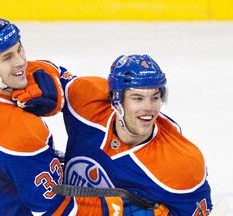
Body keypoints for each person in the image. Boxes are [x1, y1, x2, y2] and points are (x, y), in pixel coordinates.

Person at [0, 16, 125, 216]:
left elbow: (48, 72)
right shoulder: (21, 134)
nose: (20, 62)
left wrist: (59, 87)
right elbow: (58, 209)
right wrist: (118, 209)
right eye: (7, 57)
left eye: (19, 49)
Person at [17, 54, 213, 215]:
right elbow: (51, 72)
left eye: (155, 97)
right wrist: (42, 86)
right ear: (116, 100)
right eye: (137, 98)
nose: (149, 108)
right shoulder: (87, 101)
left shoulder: (181, 164)